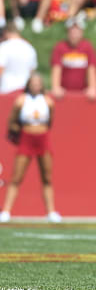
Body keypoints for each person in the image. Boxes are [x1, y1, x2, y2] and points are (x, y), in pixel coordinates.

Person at [1, 73, 61, 223]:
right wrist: (15, 130)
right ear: (28, 85)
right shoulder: (21, 100)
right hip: (26, 138)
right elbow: (12, 120)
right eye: (33, 83)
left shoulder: (48, 101)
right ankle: (6, 211)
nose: (35, 86)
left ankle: (51, 211)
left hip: (42, 138)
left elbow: (50, 121)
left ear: (41, 85)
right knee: (16, 177)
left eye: (38, 83)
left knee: (47, 177)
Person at [50, 17, 96, 100]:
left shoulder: (87, 46)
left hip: (83, 92)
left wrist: (92, 87)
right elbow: (56, 68)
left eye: (77, 30)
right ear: (67, 32)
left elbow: (91, 68)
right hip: (64, 92)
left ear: (82, 32)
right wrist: (56, 87)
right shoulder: (60, 47)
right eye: (71, 30)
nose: (74, 33)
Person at [0, 21, 37, 94]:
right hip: (25, 90)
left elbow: (1, 69)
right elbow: (32, 71)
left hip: (7, 89)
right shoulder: (30, 48)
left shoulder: (3, 47)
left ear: (6, 33)